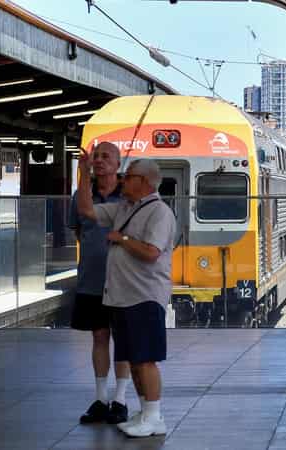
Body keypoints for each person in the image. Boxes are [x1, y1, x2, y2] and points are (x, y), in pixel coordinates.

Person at [76, 152, 176, 438]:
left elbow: (152, 252)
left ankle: (155, 416)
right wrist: (84, 173)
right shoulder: (124, 207)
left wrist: (123, 238)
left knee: (145, 360)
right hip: (121, 296)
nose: (122, 179)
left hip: (144, 296)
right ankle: (145, 412)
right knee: (133, 359)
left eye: (128, 175)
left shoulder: (159, 212)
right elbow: (87, 211)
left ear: (144, 181)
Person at [69, 142, 130, 425]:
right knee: (99, 336)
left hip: (123, 281)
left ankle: (121, 399)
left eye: (106, 156)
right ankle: (100, 398)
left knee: (123, 340)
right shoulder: (80, 195)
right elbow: (80, 230)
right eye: (96, 156)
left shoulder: (129, 196)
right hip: (92, 279)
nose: (99, 161)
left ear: (118, 164)